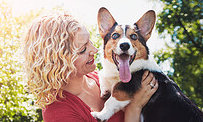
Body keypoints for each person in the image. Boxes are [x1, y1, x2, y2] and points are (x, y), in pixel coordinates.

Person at [22, 12, 158, 122]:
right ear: (59, 61)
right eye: (83, 49)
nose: (94, 50)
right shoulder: (58, 112)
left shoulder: (103, 79)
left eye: (90, 41)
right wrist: (134, 107)